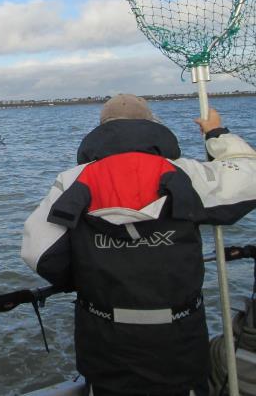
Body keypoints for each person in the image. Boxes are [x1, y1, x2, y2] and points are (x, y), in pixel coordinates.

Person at [21, 94, 256, 396]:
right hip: (179, 338)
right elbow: (249, 176)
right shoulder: (186, 173)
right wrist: (215, 134)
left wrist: (89, 274)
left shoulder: (72, 179)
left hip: (103, 337)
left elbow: (38, 252)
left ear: (101, 130)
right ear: (152, 125)